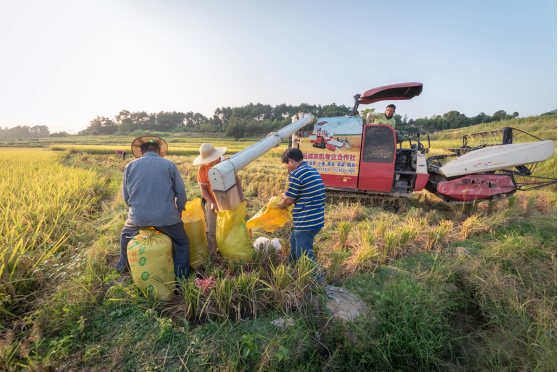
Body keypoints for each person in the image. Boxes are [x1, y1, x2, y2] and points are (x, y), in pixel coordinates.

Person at [116, 136, 190, 281]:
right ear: (159, 152)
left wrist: (135, 210)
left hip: (138, 216)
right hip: (166, 216)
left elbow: (126, 195)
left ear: (142, 152)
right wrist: (180, 209)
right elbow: (181, 192)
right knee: (182, 243)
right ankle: (182, 280)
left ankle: (122, 270)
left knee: (126, 237)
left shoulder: (130, 166)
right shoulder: (169, 165)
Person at [193, 143, 249, 258]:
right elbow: (203, 189)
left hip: (230, 200)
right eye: (207, 161)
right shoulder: (203, 168)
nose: (209, 163)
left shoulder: (227, 163)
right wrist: (212, 203)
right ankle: (212, 256)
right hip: (212, 201)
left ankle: (228, 252)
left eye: (211, 160)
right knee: (211, 230)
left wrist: (241, 197)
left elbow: (237, 181)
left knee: (231, 226)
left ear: (216, 156)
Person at [278, 148, 325, 280]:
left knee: (303, 253)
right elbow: (301, 192)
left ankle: (317, 280)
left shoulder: (297, 174)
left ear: (291, 161)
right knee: (294, 238)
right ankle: (292, 268)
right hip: (316, 217)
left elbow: (289, 200)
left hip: (307, 219)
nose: (287, 167)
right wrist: (286, 196)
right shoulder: (311, 170)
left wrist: (282, 204)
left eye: (286, 164)